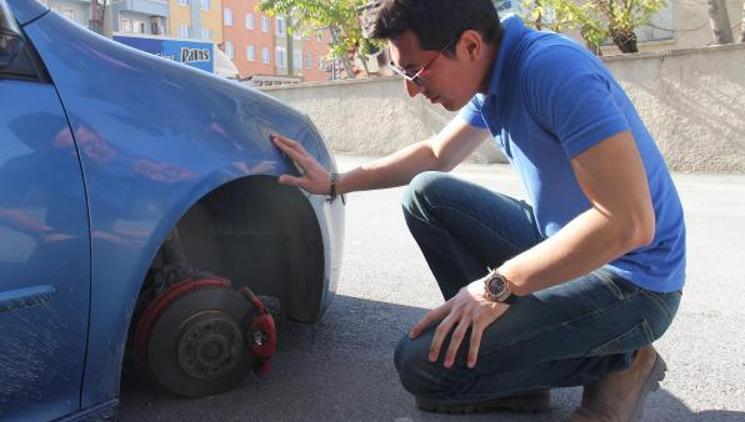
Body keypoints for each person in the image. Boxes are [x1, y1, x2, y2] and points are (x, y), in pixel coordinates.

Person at [270, 0, 685, 420]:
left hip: (633, 279)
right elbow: (436, 153)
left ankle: (625, 359)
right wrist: (337, 182)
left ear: (469, 45)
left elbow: (628, 224)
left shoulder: (554, 71)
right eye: (402, 73)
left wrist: (495, 288)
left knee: (424, 368)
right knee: (427, 195)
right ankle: (519, 379)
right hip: (563, 243)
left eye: (416, 71)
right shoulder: (494, 72)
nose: (411, 88)